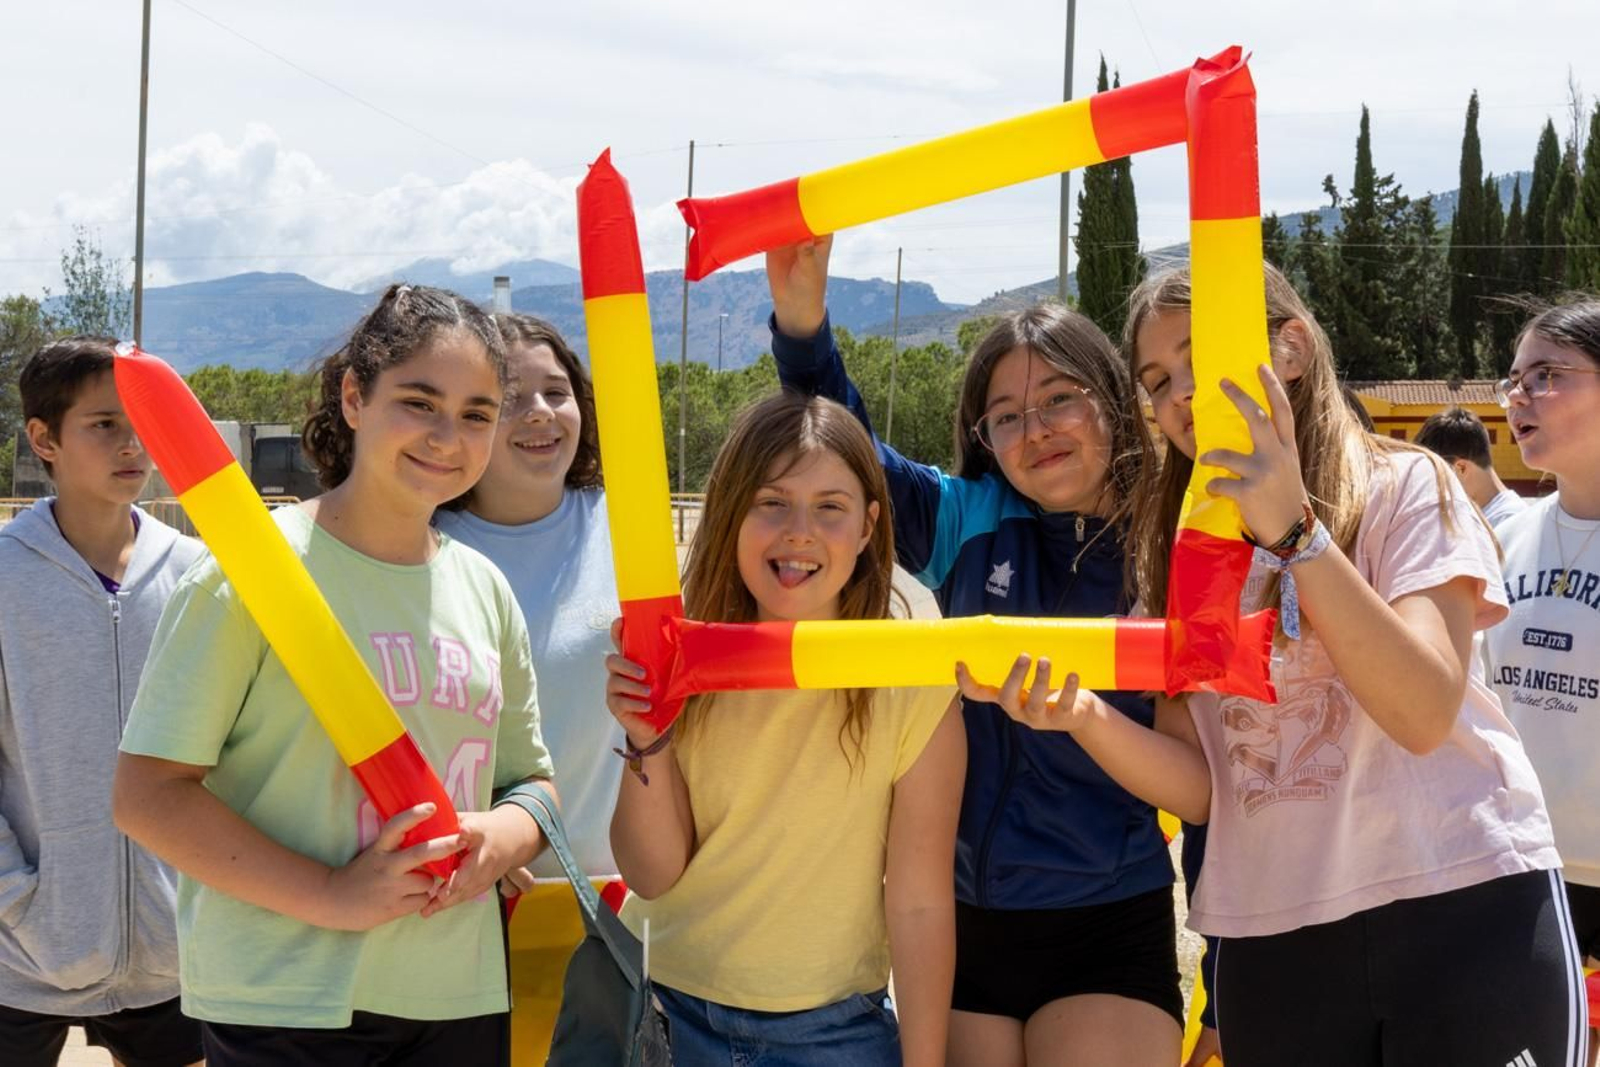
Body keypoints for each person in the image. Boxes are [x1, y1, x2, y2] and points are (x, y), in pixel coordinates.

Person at [989, 261, 1580, 1067]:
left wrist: (1296, 534)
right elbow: (1202, 786)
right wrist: (1082, 716)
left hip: (1466, 901)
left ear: (1291, 347)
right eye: (1158, 381)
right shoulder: (1180, 550)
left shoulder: (1407, 484)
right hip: (1276, 934)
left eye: (1201, 360)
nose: (1180, 397)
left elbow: (1423, 710)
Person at [111, 284, 557, 1066]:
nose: (447, 436)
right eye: (419, 402)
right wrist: (329, 895)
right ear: (354, 396)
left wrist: (499, 836)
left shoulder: (485, 589)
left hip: (458, 992)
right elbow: (147, 795)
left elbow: (534, 784)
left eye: (477, 413)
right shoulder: (249, 573)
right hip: (284, 1000)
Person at [765, 236, 1181, 1066]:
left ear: (1110, 395)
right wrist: (804, 324)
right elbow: (845, 445)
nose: (1038, 430)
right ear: (983, 435)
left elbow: (1219, 768)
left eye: (1061, 398)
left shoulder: (1171, 540)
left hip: (1107, 915)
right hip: (959, 920)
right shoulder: (966, 519)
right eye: (1008, 416)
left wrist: (1232, 970)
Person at [604, 391, 965, 1066]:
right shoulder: (678, 648)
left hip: (835, 1028)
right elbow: (651, 873)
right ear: (730, 512)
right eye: (771, 501)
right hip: (662, 1008)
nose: (799, 529)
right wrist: (647, 734)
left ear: (868, 526)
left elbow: (918, 898)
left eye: (830, 506)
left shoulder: (914, 660)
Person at [0, 337, 205, 1067]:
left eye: (142, 421)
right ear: (43, 438)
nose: (133, 444)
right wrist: (13, 895)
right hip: (19, 949)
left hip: (170, 950)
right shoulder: (5, 577)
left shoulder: (197, 574)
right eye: (104, 423)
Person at [432, 313, 619, 1059]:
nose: (541, 414)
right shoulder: (424, 541)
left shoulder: (628, 528)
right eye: (510, 398)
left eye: (558, 391)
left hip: (614, 896)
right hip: (466, 899)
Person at [1486, 298, 1600, 1067]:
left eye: (1547, 376)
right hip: (1522, 876)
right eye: (1515, 379)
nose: (1519, 397)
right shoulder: (1501, 534)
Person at [1415, 405, 1527, 529]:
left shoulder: (1510, 522)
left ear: (1460, 468)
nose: (1434, 488)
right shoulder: (1474, 516)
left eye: (1434, 476)